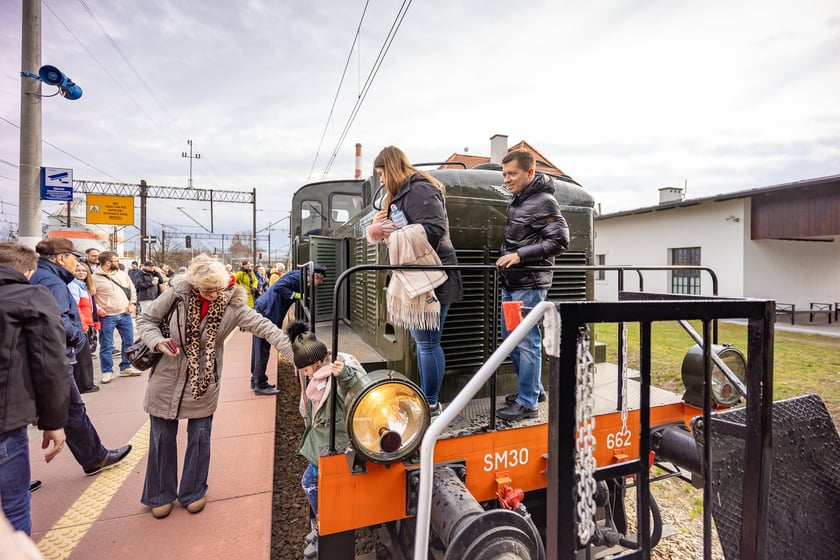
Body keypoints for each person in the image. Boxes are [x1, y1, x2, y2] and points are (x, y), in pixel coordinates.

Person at [136, 254, 295, 519]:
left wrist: (299, 358)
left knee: (200, 438)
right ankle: (159, 495)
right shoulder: (176, 295)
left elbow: (268, 329)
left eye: (218, 289)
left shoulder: (233, 306)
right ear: (194, 285)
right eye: (207, 290)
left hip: (204, 380)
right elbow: (145, 320)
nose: (213, 295)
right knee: (162, 437)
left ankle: (193, 491)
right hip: (166, 376)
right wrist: (157, 341)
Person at [367, 145, 463, 416]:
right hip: (417, 277)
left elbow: (434, 230)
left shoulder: (420, 189)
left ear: (392, 167)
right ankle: (428, 398)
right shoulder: (401, 194)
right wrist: (381, 228)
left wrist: (393, 232)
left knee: (428, 343)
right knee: (425, 343)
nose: (381, 180)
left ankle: (431, 403)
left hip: (433, 278)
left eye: (381, 173)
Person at [29, 238, 133, 476]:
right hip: (54, 356)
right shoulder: (52, 282)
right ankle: (95, 458)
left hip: (49, 354)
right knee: (72, 409)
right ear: (60, 258)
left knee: (70, 409)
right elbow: (55, 319)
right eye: (73, 257)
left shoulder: (44, 277)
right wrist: (78, 337)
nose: (77, 262)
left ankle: (94, 456)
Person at [494, 149, 570, 421]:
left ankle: (527, 403)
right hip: (514, 283)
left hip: (529, 284)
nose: (507, 179)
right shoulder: (520, 200)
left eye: (512, 174)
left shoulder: (544, 202)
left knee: (525, 341)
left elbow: (560, 241)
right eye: (505, 174)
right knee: (513, 339)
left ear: (530, 173)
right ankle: (534, 391)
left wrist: (519, 256)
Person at [0, 242, 69, 535]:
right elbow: (49, 363)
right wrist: (53, 421)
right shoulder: (29, 296)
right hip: (5, 418)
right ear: (28, 273)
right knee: (12, 506)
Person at [286, 320, 366, 559]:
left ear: (315, 363)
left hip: (338, 442)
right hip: (324, 440)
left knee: (309, 482)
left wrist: (346, 375)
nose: (304, 374)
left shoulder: (333, 375)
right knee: (314, 482)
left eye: (306, 370)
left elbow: (353, 389)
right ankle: (324, 524)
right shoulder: (318, 378)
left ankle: (326, 526)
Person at [250, 263, 326, 394]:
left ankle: (256, 379)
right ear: (316, 276)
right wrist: (296, 295)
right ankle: (260, 385)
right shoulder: (298, 277)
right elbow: (279, 287)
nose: (320, 283)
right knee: (263, 349)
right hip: (268, 312)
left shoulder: (298, 275)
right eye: (321, 280)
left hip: (266, 310)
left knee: (258, 348)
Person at [92, 251, 141, 383]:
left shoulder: (122, 274)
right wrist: (99, 309)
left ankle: (125, 367)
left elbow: (132, 290)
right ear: (108, 262)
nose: (118, 262)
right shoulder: (94, 278)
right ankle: (107, 371)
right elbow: (91, 297)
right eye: (116, 260)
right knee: (106, 345)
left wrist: (132, 304)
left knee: (129, 342)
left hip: (125, 313)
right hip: (107, 316)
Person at [67, 262, 100, 393]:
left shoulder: (85, 287)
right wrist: (83, 324)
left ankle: (86, 383)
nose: (81, 272)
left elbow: (92, 308)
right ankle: (84, 384)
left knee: (86, 355)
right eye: (78, 270)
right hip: (81, 325)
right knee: (82, 357)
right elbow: (75, 307)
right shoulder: (73, 286)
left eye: (84, 270)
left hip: (87, 323)